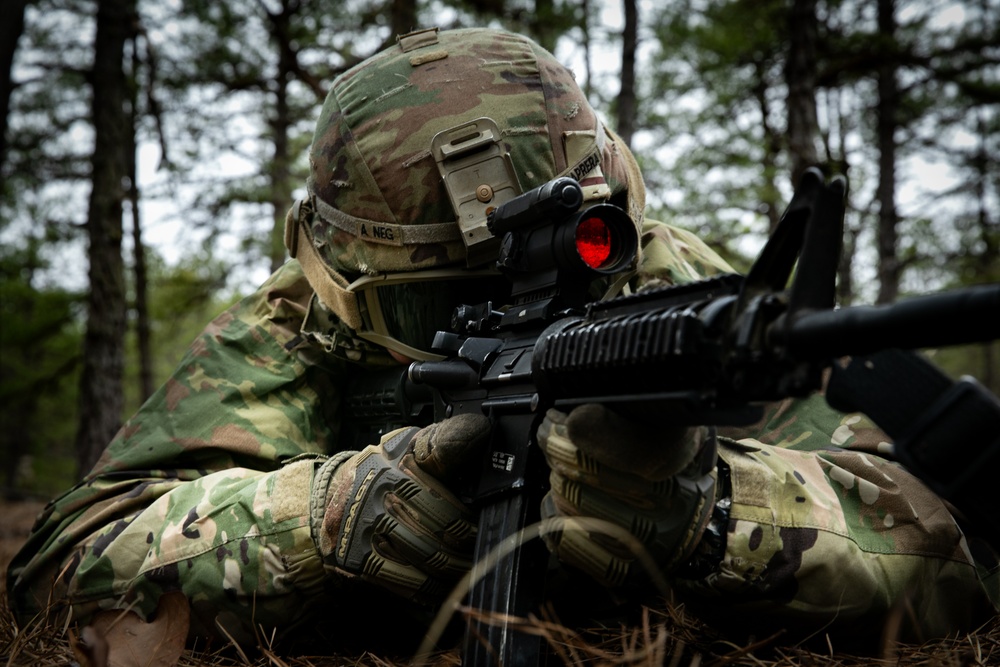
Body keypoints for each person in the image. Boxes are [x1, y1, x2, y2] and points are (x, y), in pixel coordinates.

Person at [7, 26, 998, 658]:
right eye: (436, 297)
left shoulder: (679, 304)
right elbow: (67, 560)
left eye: (569, 268)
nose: (500, 305)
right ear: (344, 278)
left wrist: (707, 516)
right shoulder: (297, 327)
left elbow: (956, 560)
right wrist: (324, 519)